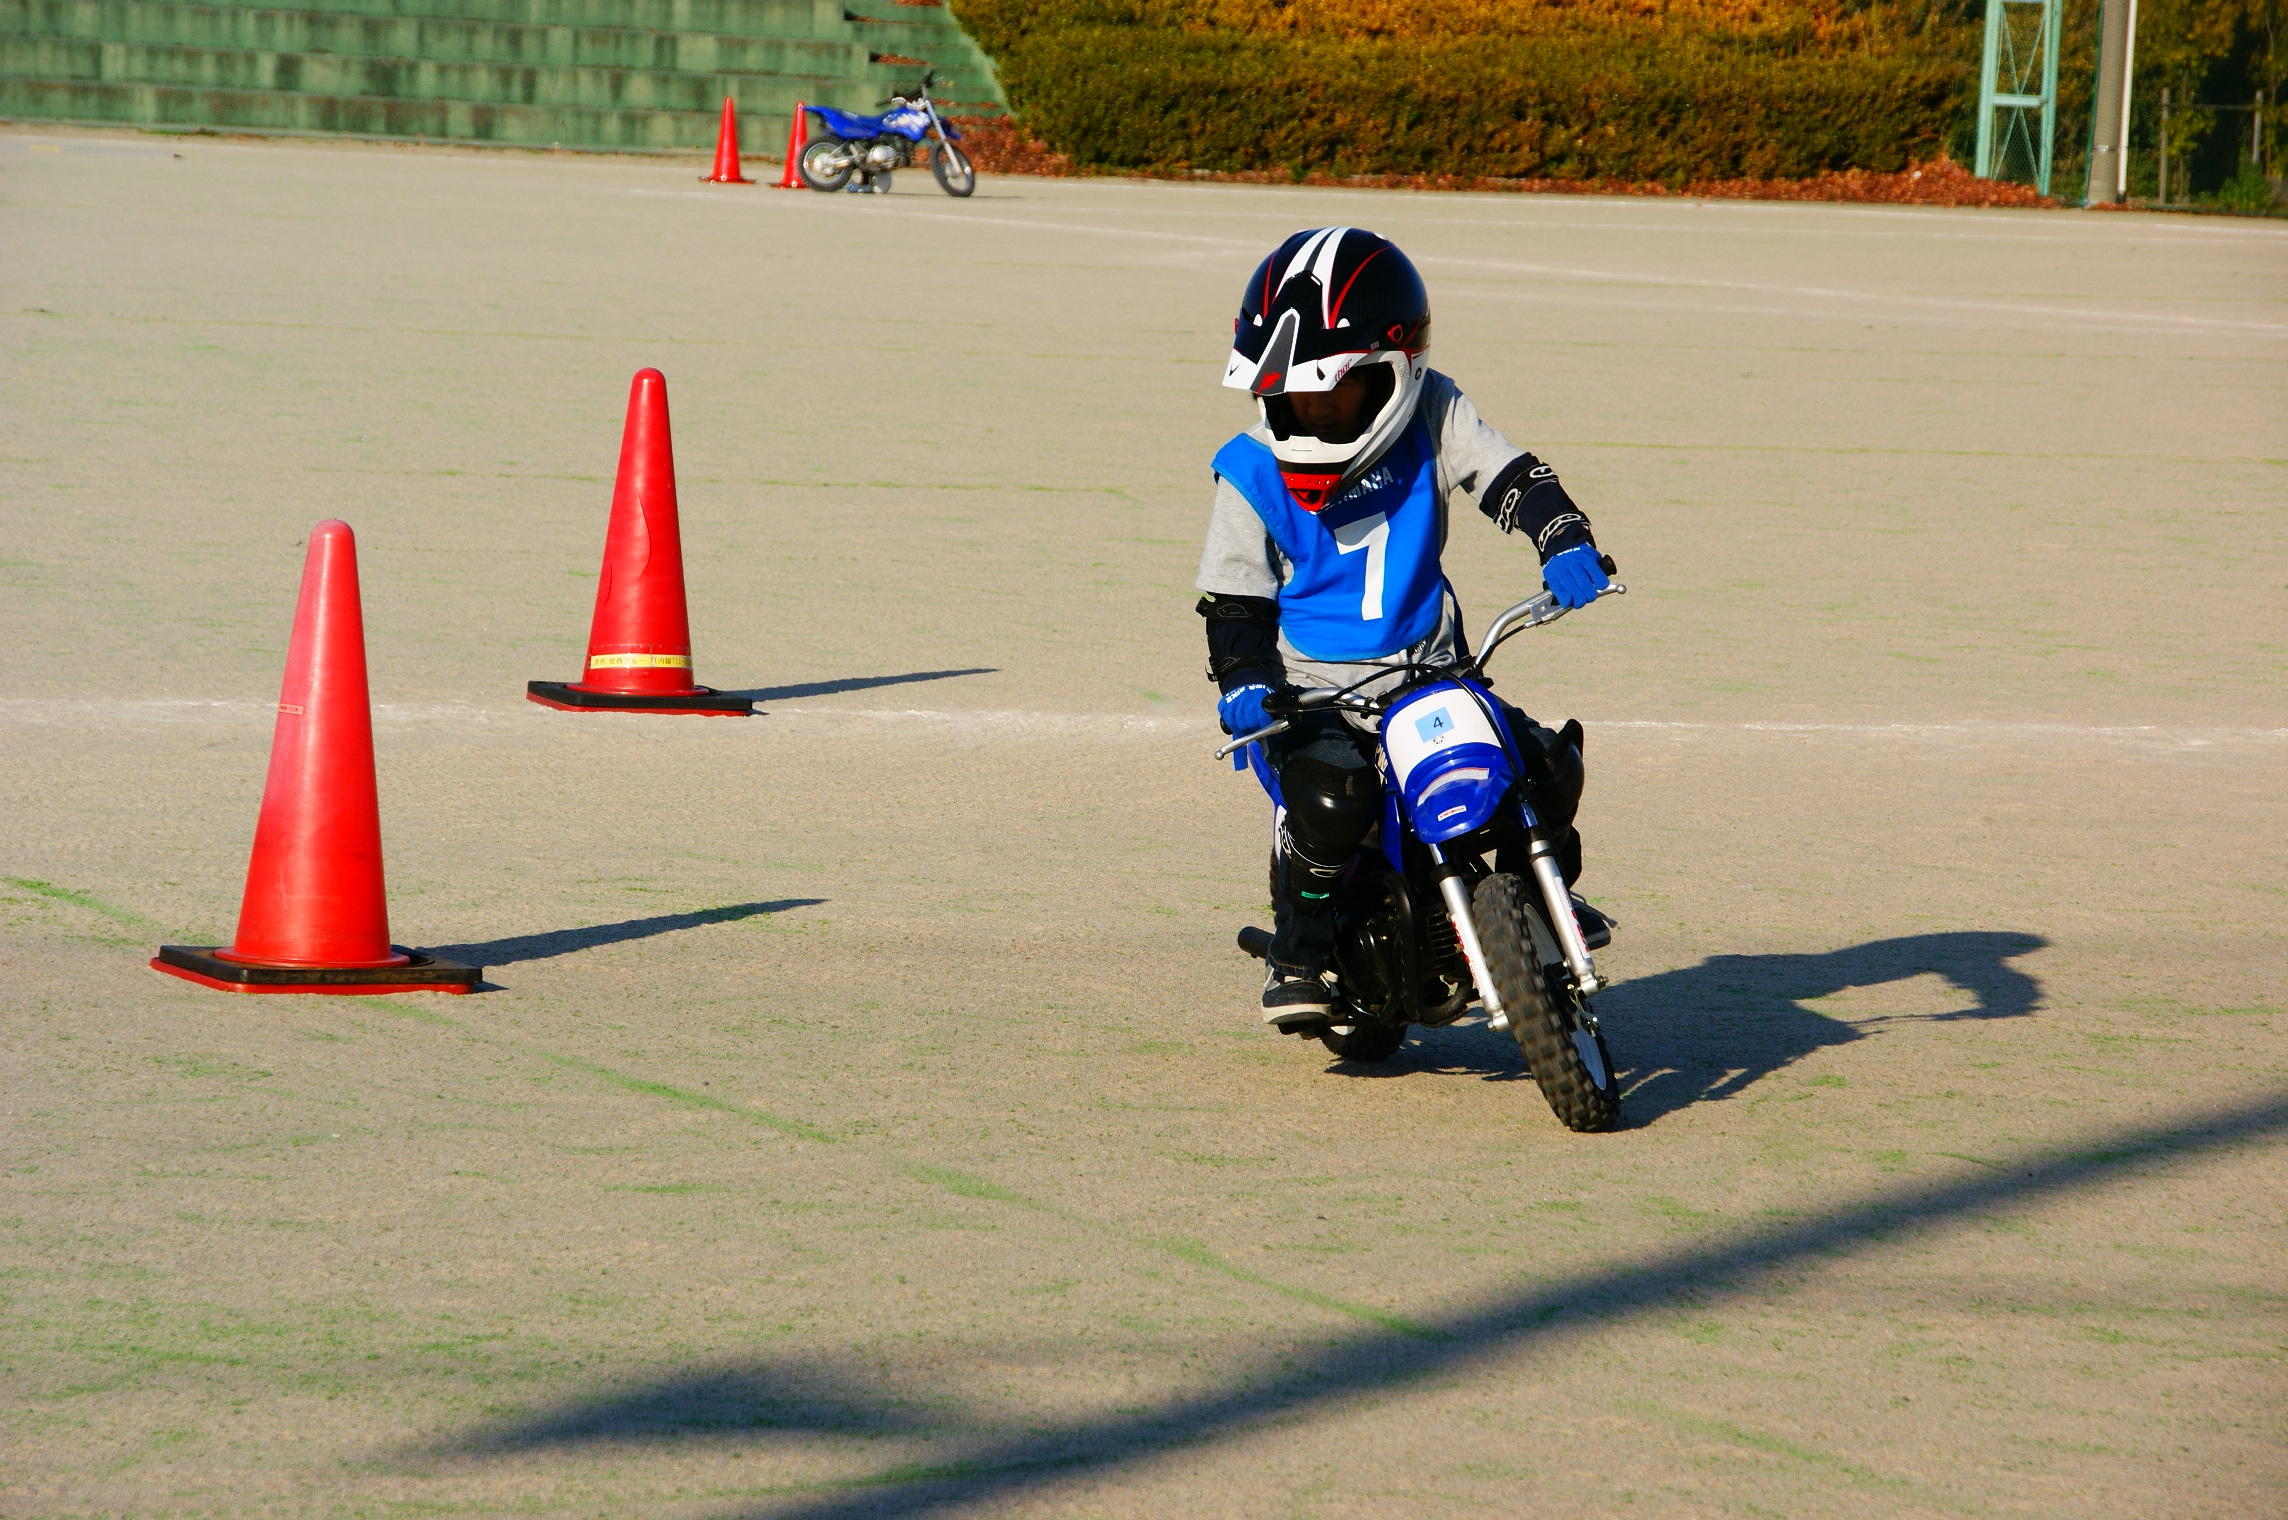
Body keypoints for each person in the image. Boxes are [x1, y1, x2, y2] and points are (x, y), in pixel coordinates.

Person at [1195, 226, 1612, 1026]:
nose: (1310, 411)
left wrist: (1561, 535)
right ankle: (1302, 954)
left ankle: (1547, 890)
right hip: (1315, 697)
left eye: (1333, 392)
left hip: (1436, 673)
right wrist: (1247, 680)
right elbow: (1234, 599)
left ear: (1398, 369)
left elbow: (1507, 473)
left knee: (1545, 767)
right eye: (1292, 394)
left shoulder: (1432, 409)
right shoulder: (1249, 470)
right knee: (1333, 804)